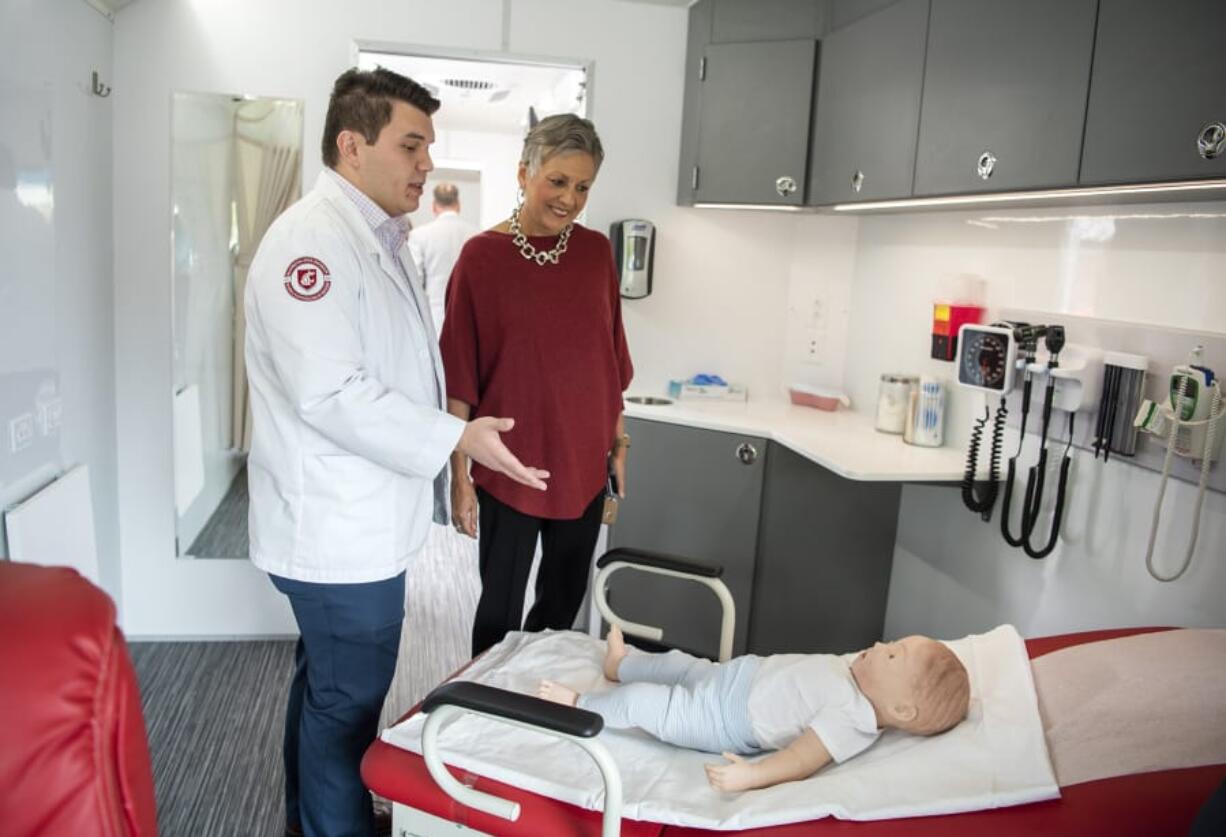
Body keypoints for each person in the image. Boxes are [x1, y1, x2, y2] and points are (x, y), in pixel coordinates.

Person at [244, 67, 549, 837]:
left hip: (357, 524)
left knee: (328, 692)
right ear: (353, 145)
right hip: (336, 533)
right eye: (411, 145)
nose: (426, 164)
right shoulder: (309, 244)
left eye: (429, 147)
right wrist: (456, 436)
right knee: (346, 706)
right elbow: (329, 392)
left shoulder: (376, 236)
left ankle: (310, 821)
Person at [440, 114, 634, 657]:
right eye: (558, 181)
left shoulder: (596, 254)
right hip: (507, 464)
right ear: (524, 173)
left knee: (561, 606)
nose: (569, 199)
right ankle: (481, 714)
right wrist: (459, 477)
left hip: (583, 463)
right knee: (499, 610)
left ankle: (533, 712)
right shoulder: (481, 258)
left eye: (583, 187)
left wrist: (620, 444)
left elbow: (611, 359)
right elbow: (460, 375)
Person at [539, 626, 971, 793]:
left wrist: (752, 775)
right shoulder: (858, 676)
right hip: (729, 678)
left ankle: (581, 707)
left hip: (721, 721)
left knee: (645, 704)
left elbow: (801, 760)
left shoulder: (853, 720)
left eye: (892, 655)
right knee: (673, 663)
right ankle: (620, 665)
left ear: (900, 709)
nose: (879, 647)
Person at [407, 182, 478, 333]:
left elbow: (414, 282)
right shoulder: (477, 235)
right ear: (458, 205)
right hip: (470, 319)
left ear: (433, 206)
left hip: (434, 320)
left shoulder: (419, 236)